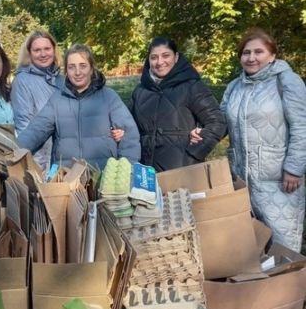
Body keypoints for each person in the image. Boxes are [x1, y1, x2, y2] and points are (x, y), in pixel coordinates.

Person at [220, 29, 306, 252]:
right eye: (246, 52)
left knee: (283, 244)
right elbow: (221, 122)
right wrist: (201, 131)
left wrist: (294, 169)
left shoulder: (287, 81)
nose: (251, 57)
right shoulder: (234, 87)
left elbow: (302, 126)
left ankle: (290, 286)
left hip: (278, 178)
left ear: (272, 55)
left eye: (259, 51)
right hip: (242, 178)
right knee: (253, 245)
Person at [17, 44, 140, 170]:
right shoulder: (57, 100)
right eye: (71, 67)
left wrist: (127, 169)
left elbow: (129, 135)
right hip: (67, 176)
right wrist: (13, 149)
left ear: (91, 69)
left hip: (102, 176)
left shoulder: (108, 97)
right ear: (66, 72)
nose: (77, 72)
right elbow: (36, 130)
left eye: (83, 66)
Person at [130, 36, 227, 172]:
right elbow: (131, 129)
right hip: (147, 173)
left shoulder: (192, 86)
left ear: (176, 57)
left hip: (183, 172)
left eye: (166, 56)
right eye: (154, 57)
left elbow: (218, 123)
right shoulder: (140, 92)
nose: (160, 62)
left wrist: (195, 152)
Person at [11, 30, 64, 172]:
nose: (43, 54)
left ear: (54, 49)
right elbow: (25, 126)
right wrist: (37, 168)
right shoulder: (22, 81)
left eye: (47, 48)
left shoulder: (61, 79)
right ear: (29, 53)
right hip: (41, 161)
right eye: (37, 50)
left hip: (63, 158)